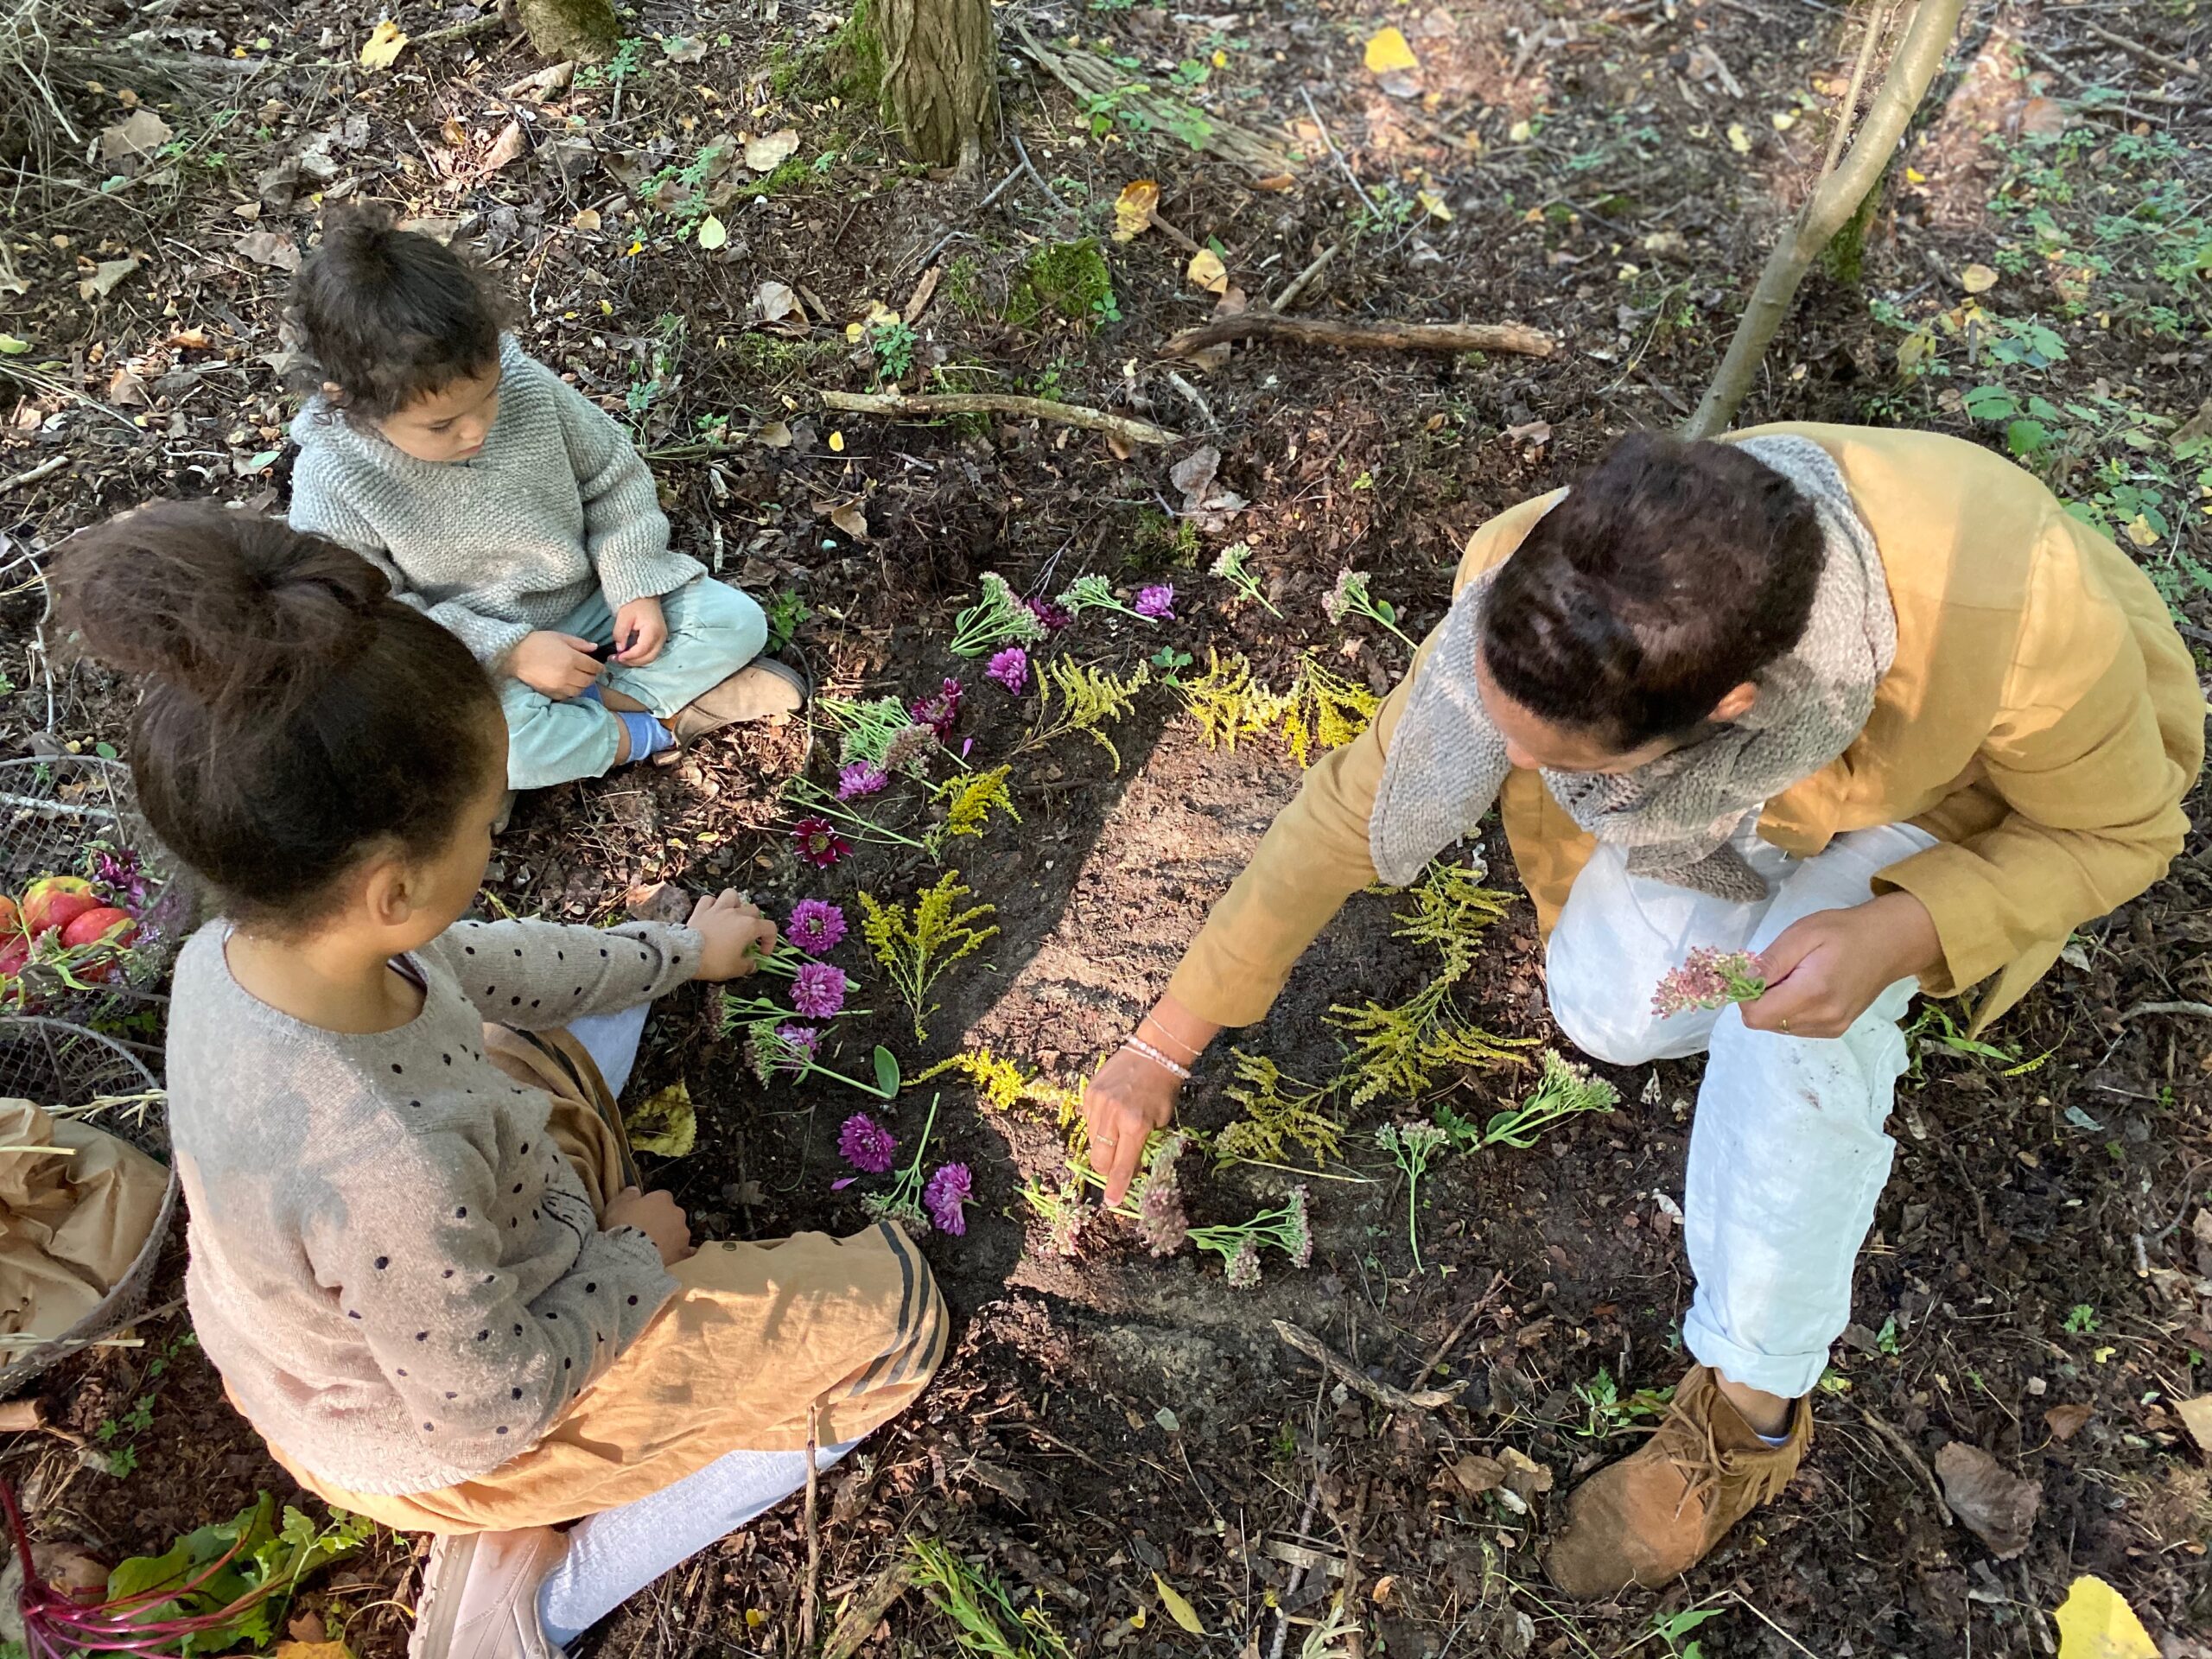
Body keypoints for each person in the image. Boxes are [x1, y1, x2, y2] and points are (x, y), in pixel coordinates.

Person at [1080, 424, 2202, 1597]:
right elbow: (1350, 813)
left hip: (1967, 806)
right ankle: (1782, 933)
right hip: (1756, 800)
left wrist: (1898, 931)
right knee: (1609, 1010)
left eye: (1545, 757)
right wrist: (1163, 1043)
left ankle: (1749, 1416)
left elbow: (2124, 833)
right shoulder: (1553, 579)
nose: (1496, 758)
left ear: (1732, 706)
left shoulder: (2019, 611)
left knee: (1793, 1035)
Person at [52, 503, 944, 1659]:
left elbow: (489, 964)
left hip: (430, 1282)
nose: (494, 841)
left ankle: (570, 1397)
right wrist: (632, 1257)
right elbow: (497, 1397)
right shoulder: (388, 1169)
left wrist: (679, 955)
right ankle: (536, 1597)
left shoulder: (241, 953)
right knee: (895, 1321)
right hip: (456, 1422)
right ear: (388, 887)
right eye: (485, 824)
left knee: (533, 1033)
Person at [285, 211, 804, 794]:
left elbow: (611, 474)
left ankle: (601, 721)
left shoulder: (525, 383)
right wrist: (509, 652)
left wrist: (633, 582)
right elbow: (375, 616)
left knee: (736, 621)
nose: (475, 429)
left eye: (487, 399)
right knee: (509, 752)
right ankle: (658, 728)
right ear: (349, 401)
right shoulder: (335, 479)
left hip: (589, 602)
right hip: (481, 659)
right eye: (442, 425)